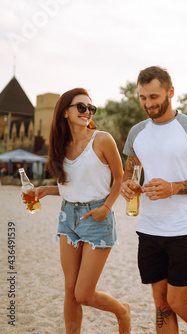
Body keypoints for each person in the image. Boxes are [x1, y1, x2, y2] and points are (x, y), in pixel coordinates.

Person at [121, 66, 187, 334]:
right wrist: (127, 186)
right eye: (143, 97)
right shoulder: (137, 132)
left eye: (153, 96)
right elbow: (128, 174)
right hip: (148, 226)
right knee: (161, 303)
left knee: (177, 301)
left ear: (170, 92)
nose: (148, 103)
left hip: (185, 227)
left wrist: (173, 188)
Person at [31, 88, 131, 333]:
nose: (87, 112)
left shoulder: (102, 139)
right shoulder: (61, 146)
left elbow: (119, 179)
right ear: (65, 112)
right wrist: (48, 189)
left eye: (90, 108)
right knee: (69, 290)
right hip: (67, 218)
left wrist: (106, 208)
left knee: (83, 293)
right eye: (81, 107)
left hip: (97, 217)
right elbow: (73, 187)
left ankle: (122, 311)